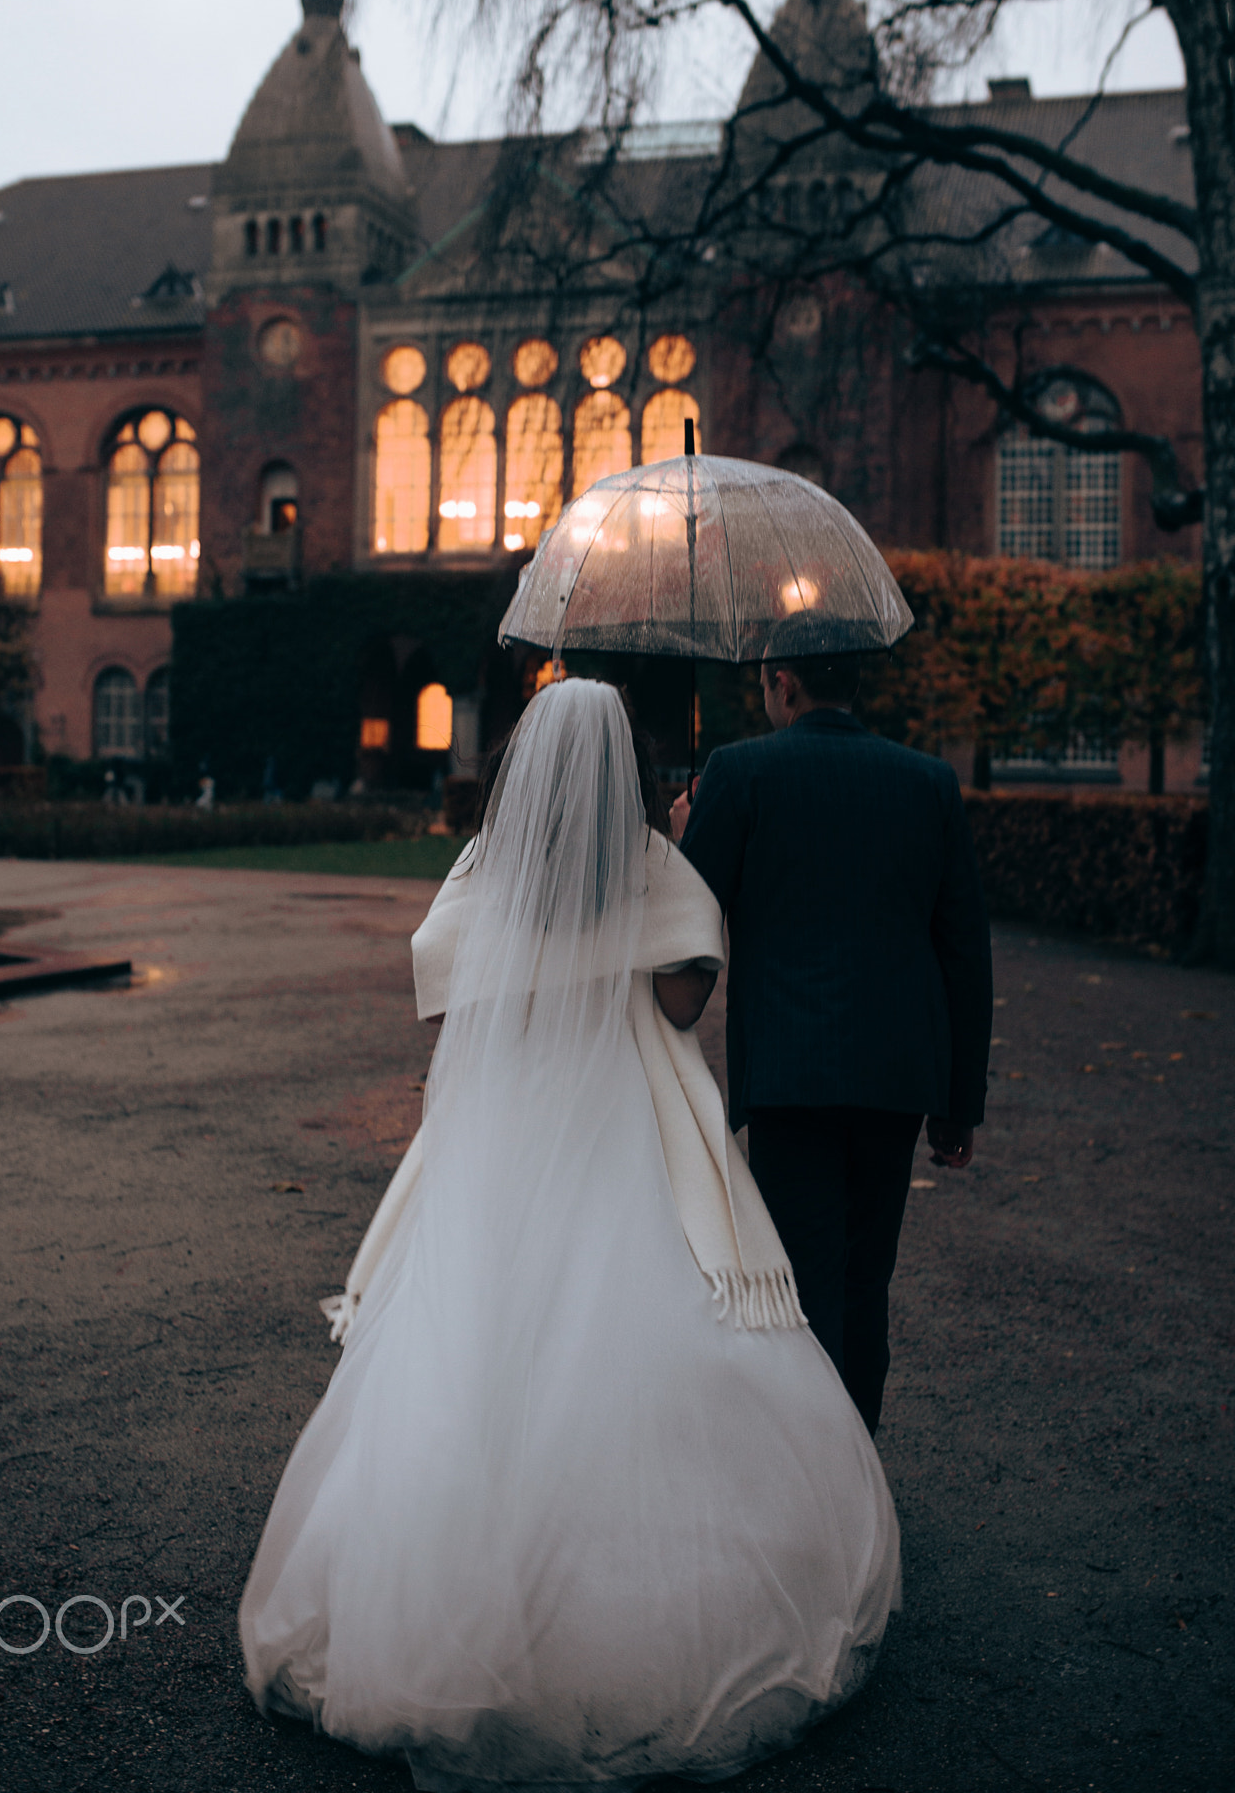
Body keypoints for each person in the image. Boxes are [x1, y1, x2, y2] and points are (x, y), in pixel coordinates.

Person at [240, 679, 900, 1789]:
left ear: (524, 766)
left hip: (507, 1120)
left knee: (475, 1335)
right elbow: (688, 998)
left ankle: (420, 1602)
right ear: (626, 770)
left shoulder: (482, 866)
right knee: (639, 1321)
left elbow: (444, 1003)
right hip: (618, 1113)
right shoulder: (648, 862)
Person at [675, 648, 994, 1438]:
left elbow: (686, 917)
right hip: (895, 1074)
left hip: (791, 1070)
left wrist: (685, 831)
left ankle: (813, 1483)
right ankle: (856, 1469)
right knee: (864, 1281)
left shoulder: (740, 772)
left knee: (795, 1283)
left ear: (783, 683)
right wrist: (961, 1106)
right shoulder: (927, 781)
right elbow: (963, 951)